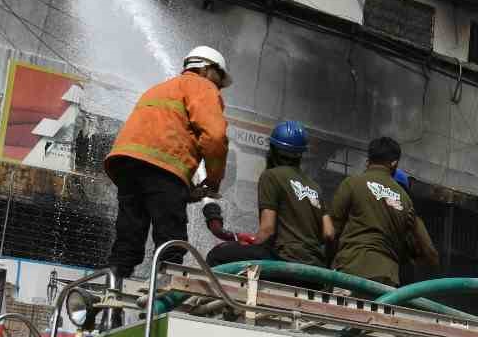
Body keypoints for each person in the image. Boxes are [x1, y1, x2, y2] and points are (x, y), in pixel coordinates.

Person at [103, 46, 231, 281]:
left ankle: (112, 301)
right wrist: (212, 181)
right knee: (171, 240)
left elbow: (163, 138)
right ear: (206, 69)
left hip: (127, 165)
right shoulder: (202, 86)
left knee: (128, 239)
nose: (219, 87)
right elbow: (215, 137)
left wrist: (186, 191)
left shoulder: (159, 89)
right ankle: (164, 298)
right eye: (220, 79)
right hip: (162, 167)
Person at [206, 121, 333, 268]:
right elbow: (329, 233)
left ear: (272, 149)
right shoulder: (314, 186)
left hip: (284, 258)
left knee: (218, 255)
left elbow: (267, 229)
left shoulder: (271, 176)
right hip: (314, 265)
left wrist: (252, 244)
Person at [328, 136, 439, 286]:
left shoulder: (353, 183)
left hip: (350, 272)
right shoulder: (405, 200)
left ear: (368, 160)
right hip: (385, 283)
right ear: (394, 163)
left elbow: (331, 231)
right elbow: (429, 255)